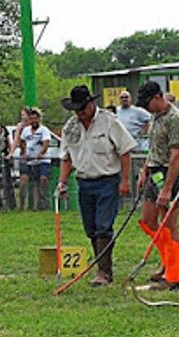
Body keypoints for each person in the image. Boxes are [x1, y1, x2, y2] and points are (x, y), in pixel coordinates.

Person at [57, 85, 136, 286]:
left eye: (82, 108)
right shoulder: (70, 127)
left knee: (103, 226)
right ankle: (103, 266)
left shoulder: (110, 122)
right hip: (84, 182)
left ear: (92, 104)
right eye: (76, 109)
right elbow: (66, 158)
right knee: (90, 228)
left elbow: (125, 152)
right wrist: (62, 182)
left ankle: (103, 272)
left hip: (108, 181)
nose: (80, 112)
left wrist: (125, 181)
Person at [134, 81, 179, 290]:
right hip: (154, 171)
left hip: (168, 173)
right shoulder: (155, 116)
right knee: (148, 221)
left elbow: (176, 156)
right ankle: (166, 263)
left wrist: (167, 188)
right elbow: (154, 147)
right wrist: (144, 168)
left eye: (147, 103)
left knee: (169, 225)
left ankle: (174, 276)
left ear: (158, 97)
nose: (145, 108)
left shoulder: (175, 119)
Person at [20, 107, 51, 211]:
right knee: (33, 182)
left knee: (43, 179)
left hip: (43, 161)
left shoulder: (44, 130)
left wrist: (41, 153)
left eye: (36, 118)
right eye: (32, 119)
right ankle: (33, 206)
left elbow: (46, 143)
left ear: (39, 119)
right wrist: (24, 152)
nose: (34, 121)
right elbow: (22, 142)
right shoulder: (26, 131)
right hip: (31, 161)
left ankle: (44, 200)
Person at [9, 107, 32, 210]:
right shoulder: (20, 126)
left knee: (35, 183)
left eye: (24, 115)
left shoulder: (35, 125)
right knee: (23, 182)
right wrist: (11, 153)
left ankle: (35, 205)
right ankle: (21, 205)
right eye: (21, 115)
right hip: (24, 157)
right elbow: (15, 141)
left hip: (34, 157)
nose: (23, 117)